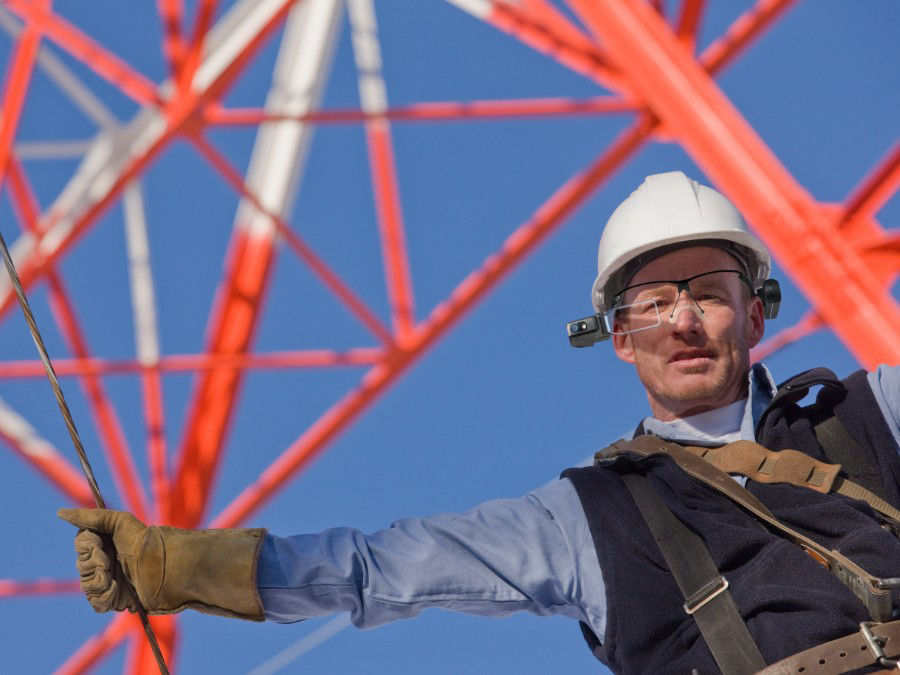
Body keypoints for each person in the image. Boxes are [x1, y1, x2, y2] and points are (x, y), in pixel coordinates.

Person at [60, 172, 900, 673]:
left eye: (709, 293)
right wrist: (178, 566)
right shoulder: (595, 517)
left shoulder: (868, 416)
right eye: (654, 302)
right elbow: (382, 568)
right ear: (618, 339)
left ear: (756, 317)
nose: (683, 321)